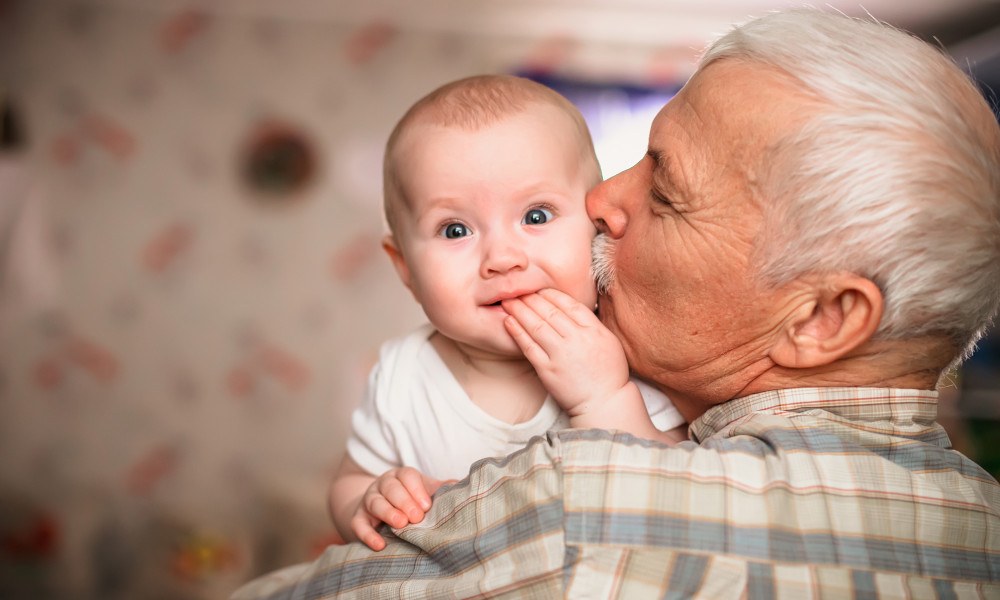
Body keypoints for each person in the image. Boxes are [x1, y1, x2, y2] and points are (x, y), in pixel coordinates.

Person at [234, 8, 1000, 598]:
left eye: (663, 189)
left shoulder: (581, 498)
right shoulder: (983, 529)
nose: (599, 201)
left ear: (820, 318)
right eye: (457, 228)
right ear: (403, 264)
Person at [328, 75, 686, 552]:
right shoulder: (402, 376)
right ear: (405, 269)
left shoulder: (623, 346)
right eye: (455, 230)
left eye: (536, 216)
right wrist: (367, 499)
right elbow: (349, 482)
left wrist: (604, 397)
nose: (502, 257)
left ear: (596, 226)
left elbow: (678, 489)